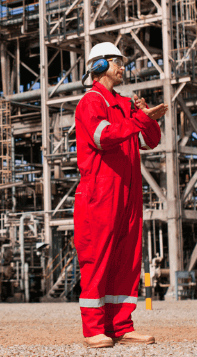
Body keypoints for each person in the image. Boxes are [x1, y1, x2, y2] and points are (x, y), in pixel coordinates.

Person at [74, 42, 168, 348]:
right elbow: (102, 137)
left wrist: (147, 117)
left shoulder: (125, 104)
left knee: (127, 259)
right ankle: (93, 328)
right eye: (116, 61)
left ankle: (121, 326)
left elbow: (151, 141)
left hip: (128, 191)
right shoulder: (91, 101)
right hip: (100, 190)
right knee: (97, 258)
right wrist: (138, 119)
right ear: (99, 66)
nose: (122, 66)